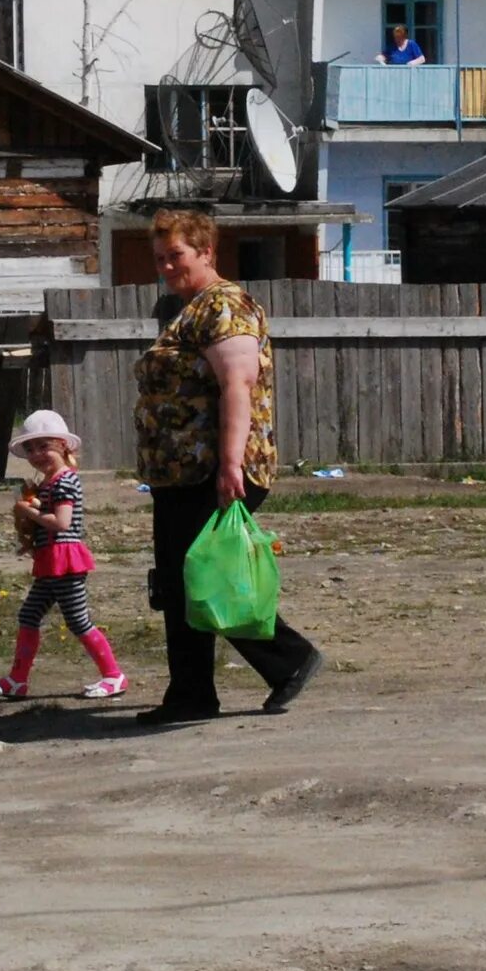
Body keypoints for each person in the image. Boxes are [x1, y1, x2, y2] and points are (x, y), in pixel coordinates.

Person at [132, 205, 324, 724]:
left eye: (177, 255)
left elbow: (236, 386)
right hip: (180, 474)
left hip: (210, 471)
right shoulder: (190, 308)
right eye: (159, 258)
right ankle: (192, 693)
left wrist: (229, 465)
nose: (167, 266)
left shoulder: (226, 306)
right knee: (179, 582)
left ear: (207, 251)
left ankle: (289, 660)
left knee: (204, 580)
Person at [0, 408, 129, 701]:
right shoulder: (50, 482)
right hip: (51, 560)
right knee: (30, 614)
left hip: (65, 560)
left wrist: (29, 512)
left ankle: (114, 676)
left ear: (62, 445)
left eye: (43, 446)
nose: (36, 454)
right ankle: (17, 680)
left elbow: (61, 523)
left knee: (77, 620)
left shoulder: (64, 481)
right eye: (30, 449)